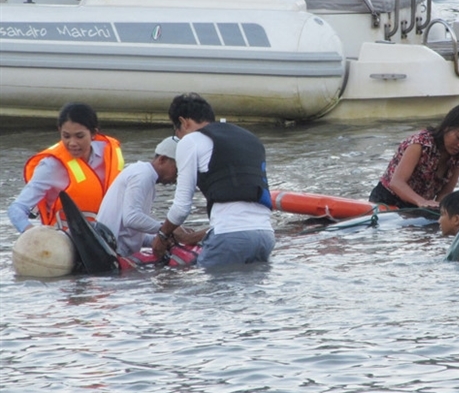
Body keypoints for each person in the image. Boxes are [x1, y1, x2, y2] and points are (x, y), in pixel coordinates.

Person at [151, 92, 275, 268]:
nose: (179, 139)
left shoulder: (191, 141)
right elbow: (242, 211)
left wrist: (162, 236)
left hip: (229, 238)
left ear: (184, 122)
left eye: (176, 133)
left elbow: (181, 208)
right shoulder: (251, 139)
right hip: (265, 236)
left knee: (212, 294)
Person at [8, 102, 124, 233]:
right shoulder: (51, 165)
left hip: (106, 237)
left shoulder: (109, 154)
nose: (72, 143)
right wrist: (32, 233)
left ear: (93, 133)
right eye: (66, 136)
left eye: (79, 136)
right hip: (63, 241)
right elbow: (17, 208)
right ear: (60, 132)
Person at [369, 104, 459, 209]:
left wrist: (439, 208)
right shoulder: (421, 143)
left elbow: (446, 192)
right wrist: (421, 201)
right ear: (447, 127)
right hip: (388, 199)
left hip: (419, 206)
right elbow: (396, 183)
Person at [96, 137, 179, 258]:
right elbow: (131, 218)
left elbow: (133, 235)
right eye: (177, 169)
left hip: (113, 247)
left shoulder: (145, 175)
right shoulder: (143, 175)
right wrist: (167, 230)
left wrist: (165, 239)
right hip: (111, 252)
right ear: (162, 159)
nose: (178, 176)